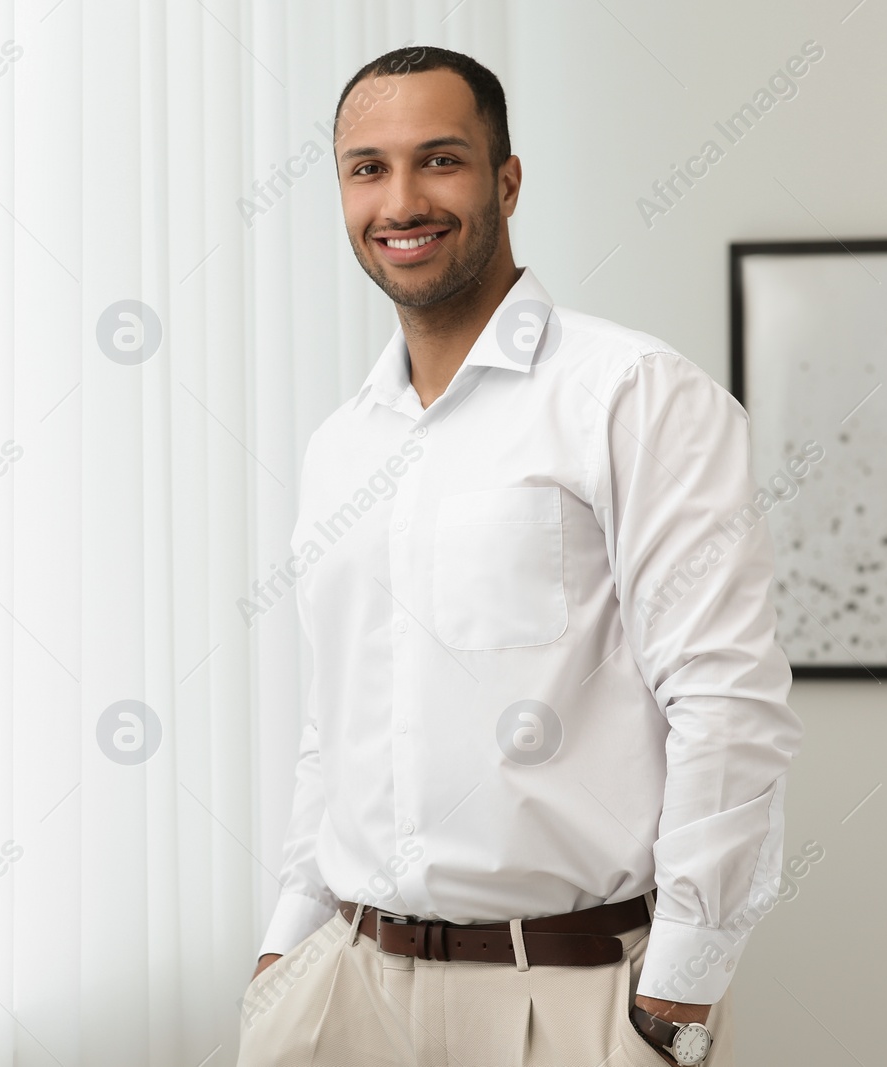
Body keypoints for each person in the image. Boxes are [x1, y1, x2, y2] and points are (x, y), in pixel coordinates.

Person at [237, 45, 803, 1067]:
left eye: (439, 160)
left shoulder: (632, 393)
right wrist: (286, 938)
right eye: (366, 168)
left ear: (505, 178)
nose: (400, 199)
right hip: (343, 988)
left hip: (567, 1000)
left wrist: (676, 992)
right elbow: (338, 721)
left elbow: (727, 699)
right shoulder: (341, 444)